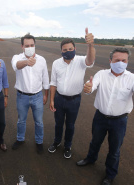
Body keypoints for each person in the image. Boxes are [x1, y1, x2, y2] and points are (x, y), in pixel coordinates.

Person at [77, 48, 133, 185]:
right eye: (117, 60)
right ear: (110, 61)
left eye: (123, 60)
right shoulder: (101, 74)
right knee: (95, 141)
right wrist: (88, 87)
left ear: (127, 62)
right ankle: (90, 159)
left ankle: (110, 174)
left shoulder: (131, 78)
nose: (120, 63)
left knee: (114, 150)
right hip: (100, 118)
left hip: (119, 121)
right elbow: (92, 86)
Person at [48, 28, 96, 158]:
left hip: (74, 100)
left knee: (70, 125)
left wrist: (90, 45)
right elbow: (53, 83)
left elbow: (90, 60)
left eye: (70, 49)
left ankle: (67, 146)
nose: (68, 51)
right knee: (58, 123)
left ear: (74, 48)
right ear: (61, 51)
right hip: (59, 98)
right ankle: (57, 142)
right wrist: (52, 100)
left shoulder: (81, 61)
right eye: (65, 50)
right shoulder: (56, 63)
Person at [11, 34, 50, 154]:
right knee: (21, 120)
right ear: (22, 46)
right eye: (27, 45)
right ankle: (20, 139)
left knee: (39, 121)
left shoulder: (42, 60)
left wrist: (46, 95)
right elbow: (16, 66)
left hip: (37, 96)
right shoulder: (17, 57)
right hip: (22, 96)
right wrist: (27, 62)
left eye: (32, 45)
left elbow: (45, 79)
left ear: (35, 45)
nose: (29, 47)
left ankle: (39, 141)